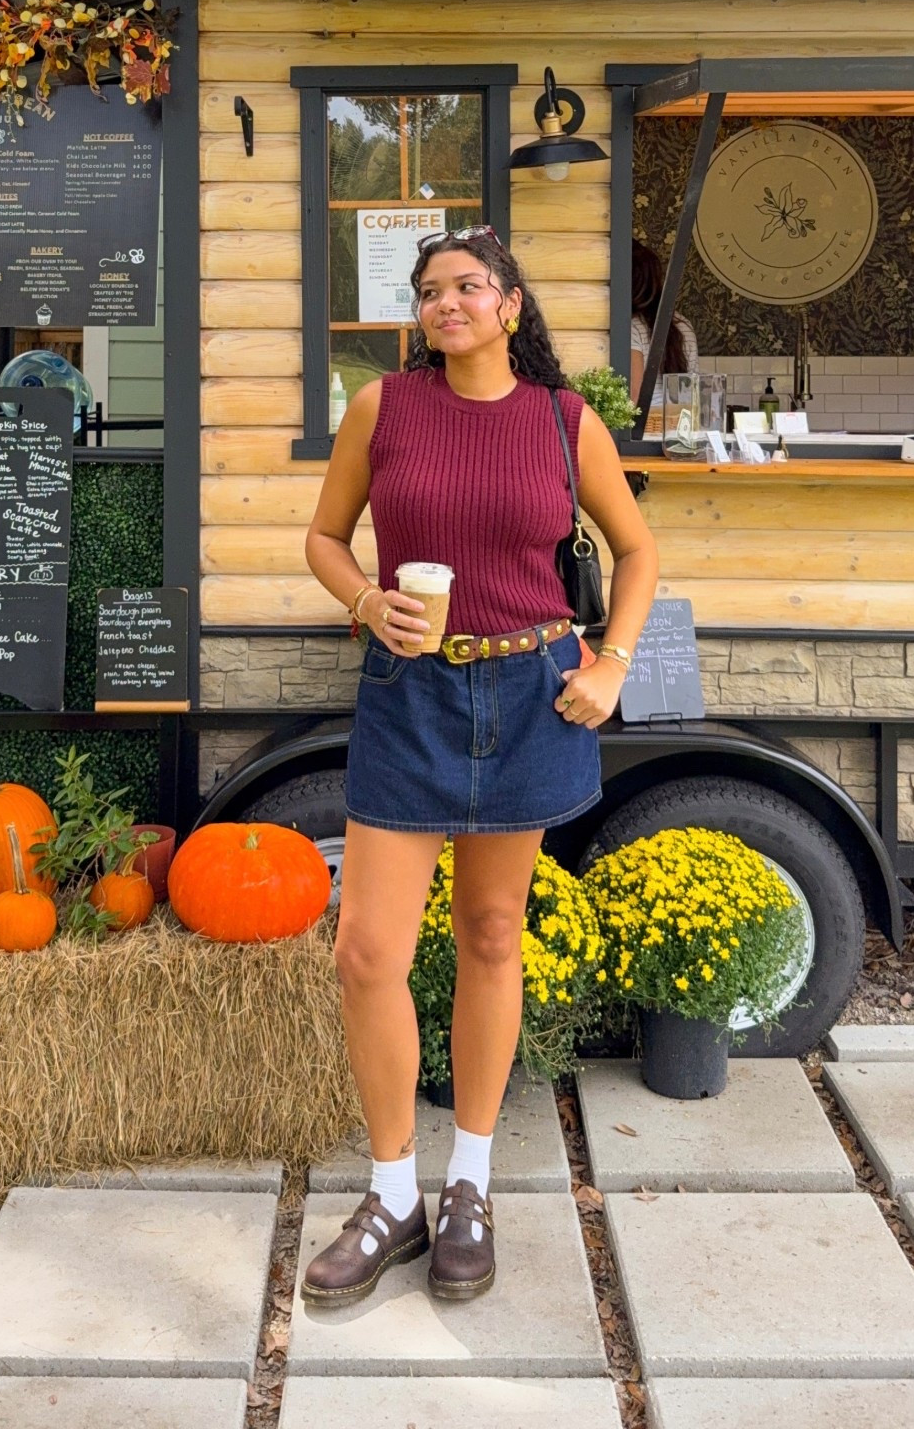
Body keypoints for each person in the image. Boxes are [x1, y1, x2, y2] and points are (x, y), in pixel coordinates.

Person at [301, 226, 657, 1306]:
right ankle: (392, 1192)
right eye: (429, 291)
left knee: (493, 934)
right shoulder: (383, 408)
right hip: (410, 695)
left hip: (532, 693)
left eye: (467, 285)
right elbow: (324, 538)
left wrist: (612, 662)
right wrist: (367, 601)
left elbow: (637, 549)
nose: (445, 302)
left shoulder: (564, 419)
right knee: (367, 951)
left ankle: (469, 1181)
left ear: (509, 304)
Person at [630, 237, 698, 402]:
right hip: (681, 417)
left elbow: (634, 396)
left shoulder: (632, 326)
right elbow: (692, 393)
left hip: (647, 419)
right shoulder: (682, 324)